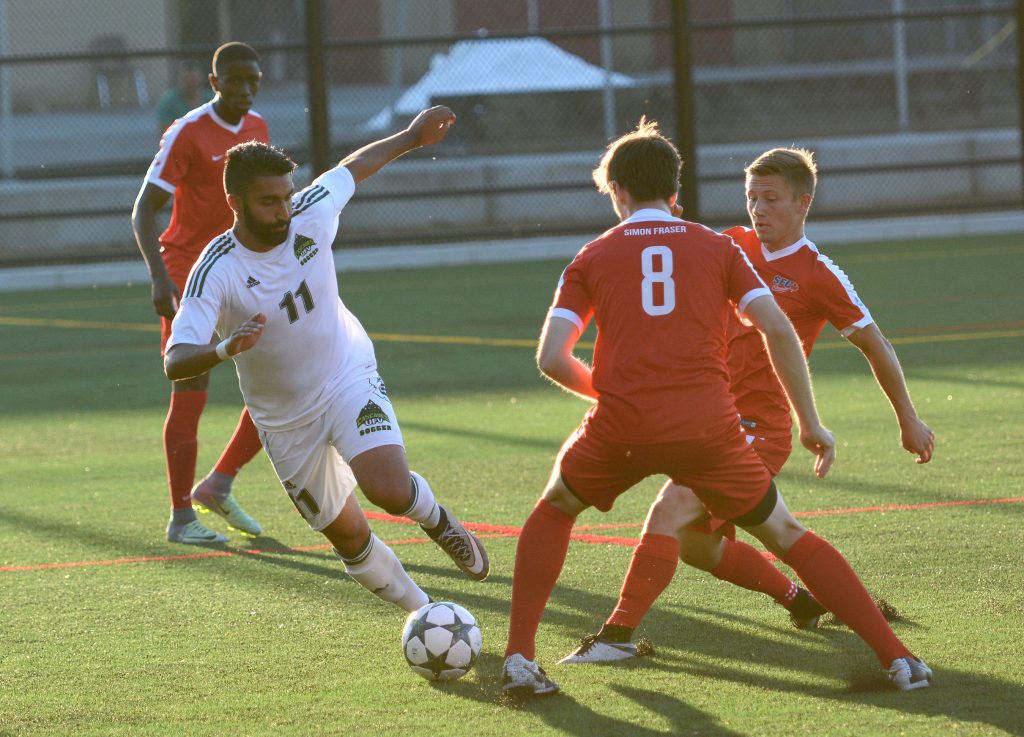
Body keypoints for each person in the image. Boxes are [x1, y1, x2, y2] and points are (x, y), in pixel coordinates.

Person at [500, 121, 930, 697]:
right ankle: (897, 658)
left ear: (617, 192)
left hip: (629, 423)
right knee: (776, 530)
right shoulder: (721, 246)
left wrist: (617, 397)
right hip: (710, 424)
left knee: (556, 509)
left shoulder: (593, 255)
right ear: (676, 193)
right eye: (752, 197)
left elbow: (553, 358)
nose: (757, 208)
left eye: (769, 198)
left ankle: (527, 657)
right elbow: (775, 327)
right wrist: (813, 421)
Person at [163, 106, 489, 612]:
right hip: (284, 420)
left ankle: (436, 520)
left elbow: (354, 167)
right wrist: (226, 348)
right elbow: (176, 358)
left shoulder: (310, 211)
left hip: (345, 374)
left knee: (389, 489)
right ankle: (426, 615)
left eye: (286, 198)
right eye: (268, 203)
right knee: (350, 540)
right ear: (235, 203)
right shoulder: (216, 269)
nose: (283, 212)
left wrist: (409, 136)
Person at [132, 42, 269, 544]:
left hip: (241, 271)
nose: (246, 89)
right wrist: (157, 277)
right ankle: (181, 516)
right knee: (191, 386)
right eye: (235, 81)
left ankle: (220, 482)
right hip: (188, 272)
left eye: (253, 80)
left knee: (281, 374)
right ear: (214, 83)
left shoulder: (258, 126)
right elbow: (144, 208)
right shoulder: (187, 132)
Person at [155, 61, 212, 134]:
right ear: (179, 79)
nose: (190, 84)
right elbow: (164, 132)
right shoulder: (169, 101)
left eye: (193, 80)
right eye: (186, 80)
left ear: (201, 78)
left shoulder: (211, 99)